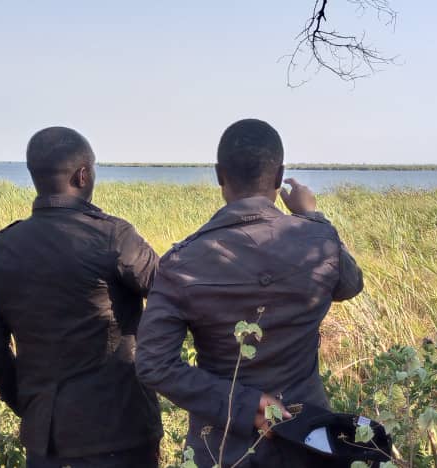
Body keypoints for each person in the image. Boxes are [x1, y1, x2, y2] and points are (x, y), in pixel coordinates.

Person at [135, 118, 364, 467]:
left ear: (219, 175)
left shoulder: (182, 262)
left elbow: (154, 365)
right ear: (279, 176)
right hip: (307, 438)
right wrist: (313, 216)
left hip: (223, 446)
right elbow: (351, 285)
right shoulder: (319, 239)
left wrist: (243, 405)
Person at [0, 127, 163, 468]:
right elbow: (170, 292)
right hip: (120, 430)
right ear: (82, 175)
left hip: (45, 439)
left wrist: (30, 404)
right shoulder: (113, 236)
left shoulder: (2, 247)